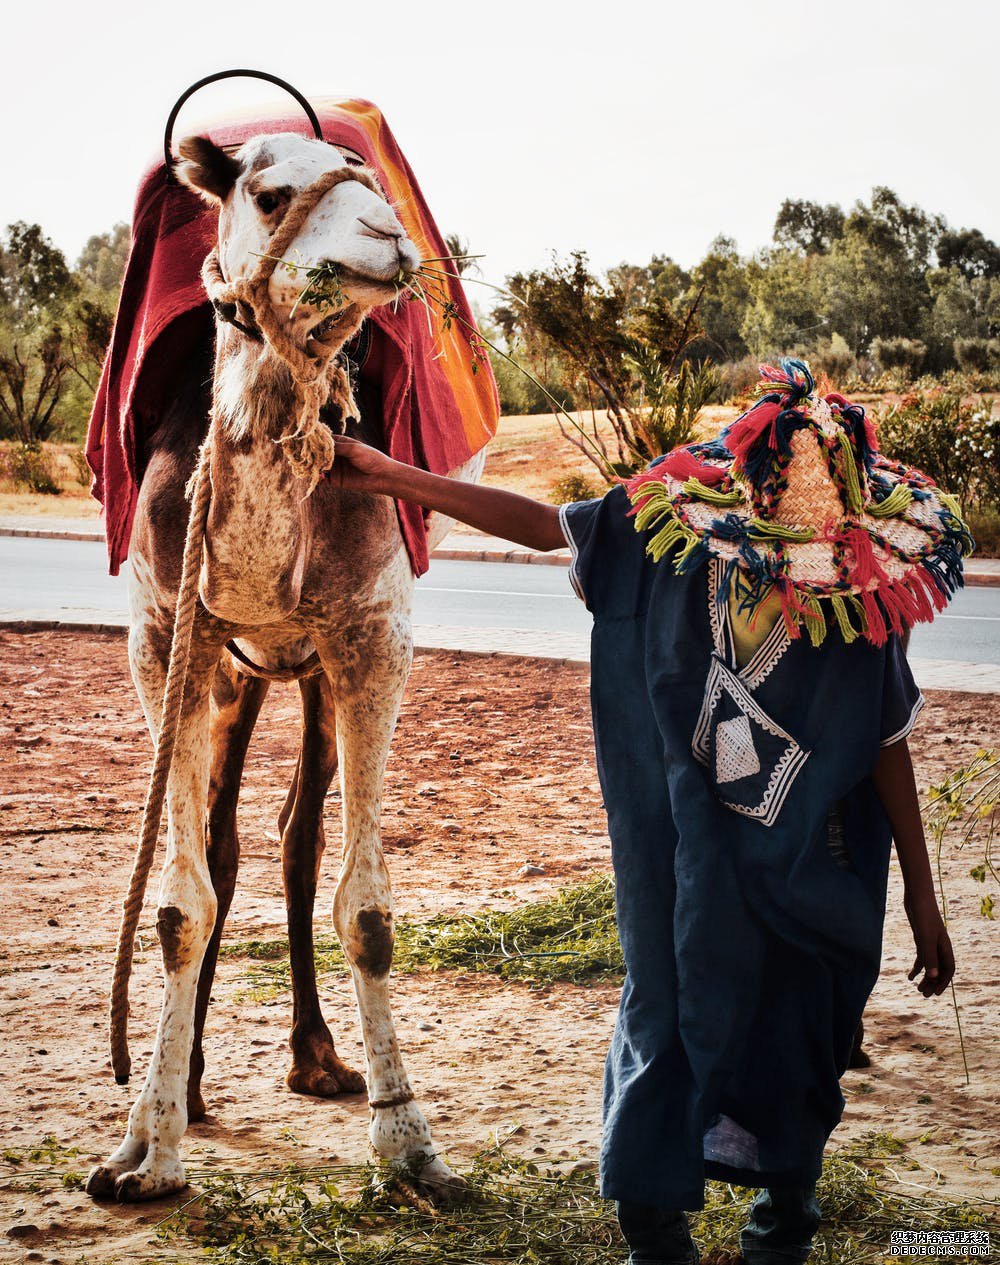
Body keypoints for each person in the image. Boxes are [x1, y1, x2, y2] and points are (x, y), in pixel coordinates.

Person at [331, 359, 964, 1265]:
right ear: (743, 508)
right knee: (666, 1017)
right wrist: (391, 474)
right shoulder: (667, 546)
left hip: (809, 870)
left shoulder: (854, 603)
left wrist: (922, 897)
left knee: (799, 1030)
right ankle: (654, 1230)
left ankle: (783, 1222)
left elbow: (886, 740)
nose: (803, 565)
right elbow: (545, 526)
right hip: (681, 863)